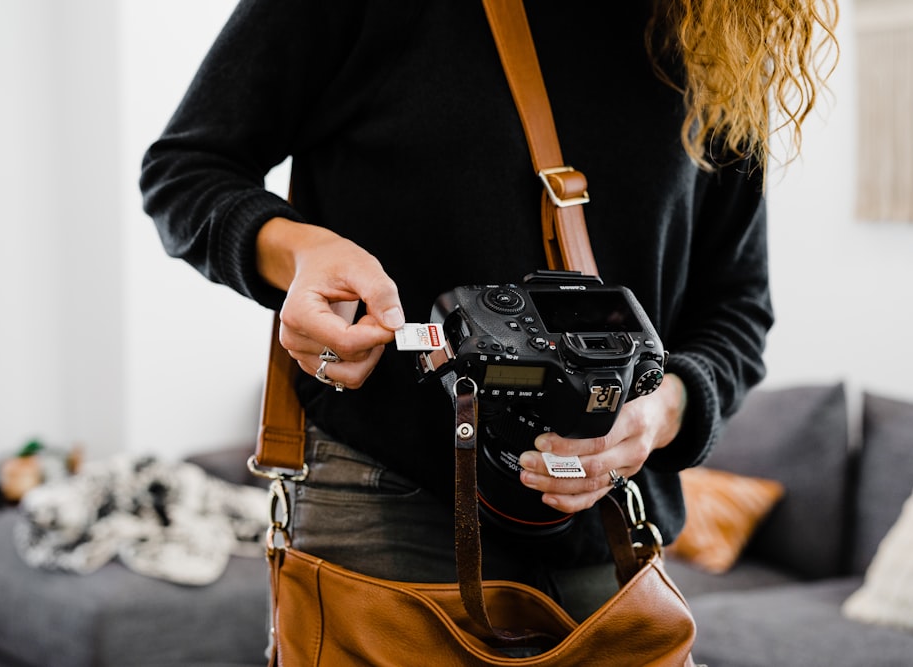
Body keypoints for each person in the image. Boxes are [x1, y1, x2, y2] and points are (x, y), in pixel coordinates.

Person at [141, 0, 837, 622]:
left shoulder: (718, 26)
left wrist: (660, 410)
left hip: (611, 538)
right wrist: (297, 252)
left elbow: (738, 309)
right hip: (388, 513)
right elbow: (186, 169)